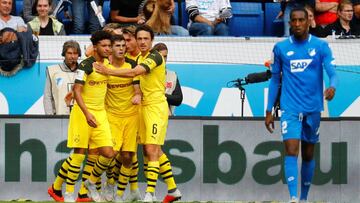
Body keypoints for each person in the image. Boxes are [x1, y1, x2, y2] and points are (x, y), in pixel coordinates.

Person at [94, 25, 181, 203]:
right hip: (142, 108)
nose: (142, 42)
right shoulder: (141, 57)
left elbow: (134, 72)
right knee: (154, 151)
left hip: (156, 108)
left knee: (151, 149)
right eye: (139, 39)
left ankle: (150, 193)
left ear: (151, 40)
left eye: (145, 39)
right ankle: (173, 189)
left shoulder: (155, 57)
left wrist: (108, 71)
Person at [265, 7, 337, 203]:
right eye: (293, 21)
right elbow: (274, 80)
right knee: (291, 150)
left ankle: (304, 198)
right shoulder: (280, 48)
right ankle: (293, 198)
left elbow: (332, 71)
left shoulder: (321, 46)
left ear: (308, 22)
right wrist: (269, 109)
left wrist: (332, 87)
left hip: (313, 108)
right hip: (290, 108)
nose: (296, 24)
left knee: (308, 154)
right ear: (290, 23)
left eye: (300, 21)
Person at [48, 30, 115, 202]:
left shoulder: (109, 64)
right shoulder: (86, 65)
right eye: (104, 45)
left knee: (109, 153)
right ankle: (69, 193)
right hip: (82, 113)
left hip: (100, 114)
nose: (108, 49)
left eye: (109, 45)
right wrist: (87, 114)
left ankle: (90, 182)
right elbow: (77, 91)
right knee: (79, 154)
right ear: (95, 47)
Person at [43, 40, 80, 115]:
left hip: (80, 118)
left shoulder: (84, 71)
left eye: (75, 53)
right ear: (64, 54)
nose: (72, 56)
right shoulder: (52, 71)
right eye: (69, 53)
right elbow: (48, 96)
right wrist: (50, 117)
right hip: (60, 118)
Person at [152, 42, 183, 115]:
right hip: (152, 115)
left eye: (165, 56)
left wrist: (161, 95)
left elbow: (178, 99)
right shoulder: (147, 74)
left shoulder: (172, 75)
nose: (163, 59)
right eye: (160, 56)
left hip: (169, 118)